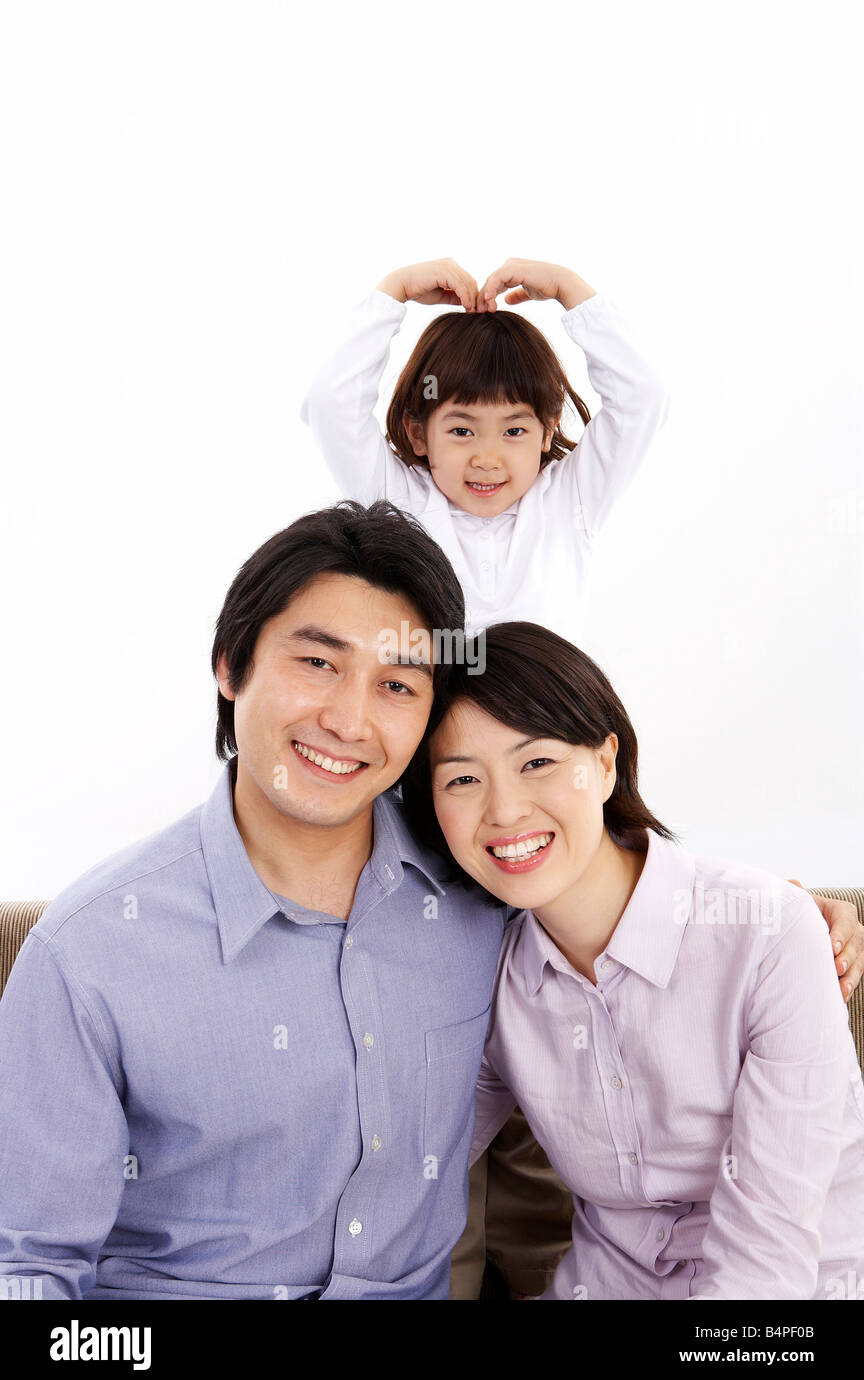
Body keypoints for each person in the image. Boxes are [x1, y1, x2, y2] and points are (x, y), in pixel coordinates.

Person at [0, 503, 859, 1300]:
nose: (348, 718)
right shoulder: (90, 956)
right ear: (231, 666)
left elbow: (618, 896)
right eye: (317, 662)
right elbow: (30, 1265)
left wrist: (784, 922)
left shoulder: (483, 904)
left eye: (398, 685)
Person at [401, 621, 864, 1299]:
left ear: (606, 761)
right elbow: (413, 1161)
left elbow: (767, 1264)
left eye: (537, 763)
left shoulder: (768, 937)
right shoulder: (489, 976)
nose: (503, 810)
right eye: (462, 779)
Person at [301, 257, 670, 644]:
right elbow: (331, 403)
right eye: (462, 430)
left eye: (513, 430)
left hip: (546, 706)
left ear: (548, 430)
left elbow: (642, 398)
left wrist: (569, 289)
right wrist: (395, 291)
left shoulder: (569, 500)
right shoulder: (396, 502)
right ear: (419, 434)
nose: (487, 460)